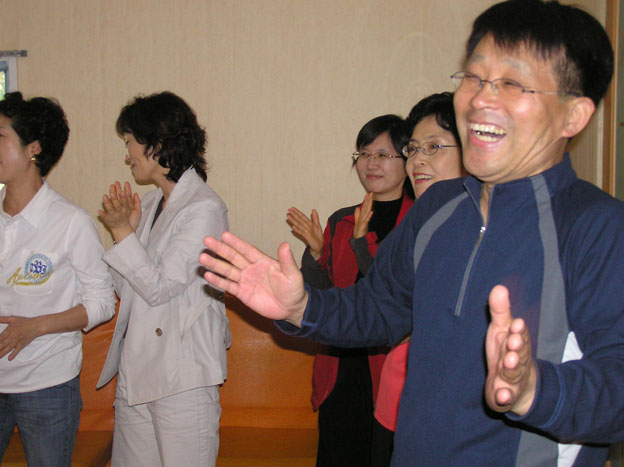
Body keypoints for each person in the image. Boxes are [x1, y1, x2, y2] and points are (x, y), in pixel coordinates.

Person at [200, 0, 622, 465]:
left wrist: (534, 390)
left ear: (573, 116)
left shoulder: (600, 228)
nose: (480, 100)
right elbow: (378, 308)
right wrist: (301, 307)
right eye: (474, 77)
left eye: (511, 83)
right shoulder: (438, 208)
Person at [97, 91, 230, 466]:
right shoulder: (152, 203)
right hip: (137, 370)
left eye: (130, 141)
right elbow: (129, 291)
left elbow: (160, 289)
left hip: (182, 375)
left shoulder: (204, 208)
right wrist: (126, 235)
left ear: (156, 143)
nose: (127, 155)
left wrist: (123, 234)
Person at [286, 114, 413, 467]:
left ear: (408, 159)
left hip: (391, 375)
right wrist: (315, 255)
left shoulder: (417, 223)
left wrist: (362, 245)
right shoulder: (341, 220)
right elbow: (325, 301)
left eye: (383, 155)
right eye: (364, 154)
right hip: (340, 372)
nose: (371, 163)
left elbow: (396, 298)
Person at [0, 92, 115, 465]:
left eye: (0, 136)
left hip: (45, 385)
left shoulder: (70, 222)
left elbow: (102, 303)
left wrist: (36, 326)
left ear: (33, 148)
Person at [371, 92, 465, 467]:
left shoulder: (490, 230)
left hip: (453, 417)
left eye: (434, 147)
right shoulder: (415, 227)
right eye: (412, 149)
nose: (417, 160)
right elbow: (372, 303)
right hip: (396, 400)